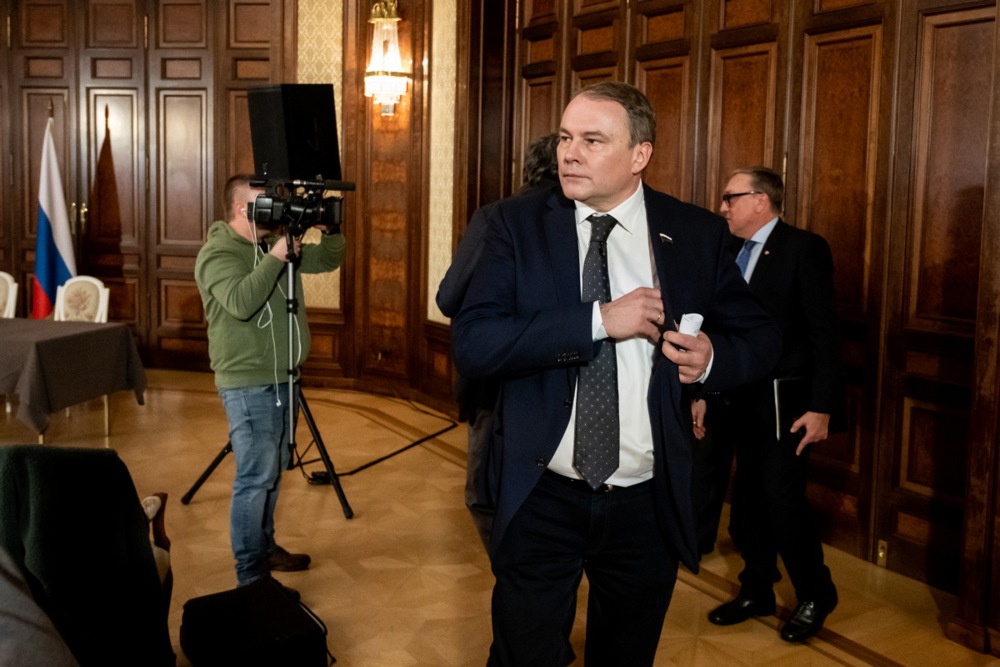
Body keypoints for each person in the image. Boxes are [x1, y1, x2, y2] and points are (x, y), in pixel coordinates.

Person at [451, 82, 782, 667]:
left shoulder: (696, 233)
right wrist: (598, 320)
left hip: (647, 505)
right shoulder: (513, 224)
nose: (569, 153)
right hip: (541, 494)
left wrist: (711, 360)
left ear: (639, 155)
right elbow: (475, 343)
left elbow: (760, 337)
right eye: (565, 137)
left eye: (592, 140)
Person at [705, 166, 842, 643]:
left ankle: (815, 593)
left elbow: (825, 333)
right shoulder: (726, 249)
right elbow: (717, 326)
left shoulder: (804, 248)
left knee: (781, 499)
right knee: (745, 503)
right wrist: (703, 392)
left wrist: (823, 406)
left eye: (730, 198)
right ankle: (757, 588)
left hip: (788, 402)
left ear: (760, 200)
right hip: (737, 396)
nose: (722, 206)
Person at [195, 174, 346, 591]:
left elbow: (328, 259)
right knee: (254, 478)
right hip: (248, 382)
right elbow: (242, 303)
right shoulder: (217, 253)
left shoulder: (272, 246)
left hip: (284, 378)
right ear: (242, 209)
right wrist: (276, 257)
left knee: (273, 473)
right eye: (266, 203)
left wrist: (330, 229)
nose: (276, 211)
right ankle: (251, 575)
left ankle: (265, 548)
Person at [436, 132, 560, 548]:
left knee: (486, 492)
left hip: (499, 378)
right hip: (567, 375)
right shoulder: (590, 219)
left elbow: (448, 296)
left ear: (528, 167)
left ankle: (517, 576)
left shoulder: (498, 217)